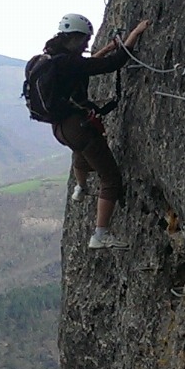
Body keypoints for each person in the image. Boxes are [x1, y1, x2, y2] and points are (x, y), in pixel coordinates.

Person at [27, 13, 149, 248]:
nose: (86, 44)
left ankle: (80, 188)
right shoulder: (67, 62)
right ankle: (100, 235)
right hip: (78, 128)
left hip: (61, 128)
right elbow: (112, 64)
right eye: (84, 40)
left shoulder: (51, 59)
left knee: (80, 153)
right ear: (74, 37)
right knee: (110, 178)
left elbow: (85, 66)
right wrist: (135, 34)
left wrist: (106, 48)